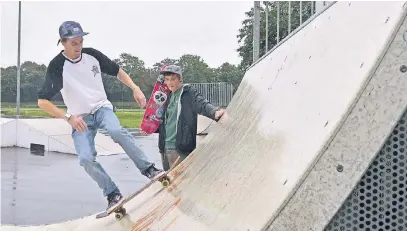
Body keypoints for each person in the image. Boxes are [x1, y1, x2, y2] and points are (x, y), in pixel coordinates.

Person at [36, 21, 163, 213]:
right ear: (63, 42)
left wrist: (135, 88)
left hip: (101, 108)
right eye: (74, 43)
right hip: (80, 119)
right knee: (85, 159)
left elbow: (117, 71)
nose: (78, 47)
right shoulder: (57, 67)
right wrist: (68, 117)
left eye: (80, 42)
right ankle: (112, 193)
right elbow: (42, 101)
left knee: (116, 130)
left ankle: (149, 169)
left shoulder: (92, 55)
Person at [154, 65, 226, 170]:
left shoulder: (187, 93)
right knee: (169, 182)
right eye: (167, 80)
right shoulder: (167, 96)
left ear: (180, 79)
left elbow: (201, 103)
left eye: (173, 79)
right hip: (165, 148)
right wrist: (150, 127)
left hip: (180, 148)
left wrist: (214, 112)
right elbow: (165, 121)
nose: (170, 83)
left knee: (182, 182)